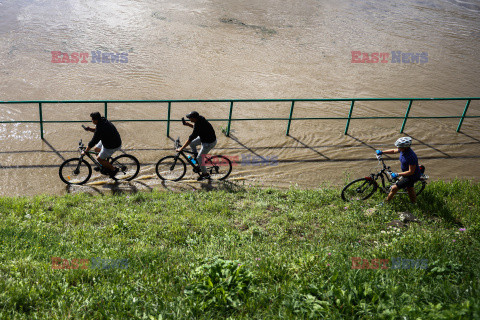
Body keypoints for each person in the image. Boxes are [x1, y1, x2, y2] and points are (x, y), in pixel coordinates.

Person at [376, 137, 421, 203]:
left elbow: (411, 172)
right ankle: (413, 203)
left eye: (399, 147)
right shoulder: (403, 149)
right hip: (406, 173)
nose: (398, 148)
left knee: (394, 188)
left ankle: (385, 202)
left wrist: (397, 174)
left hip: (412, 176)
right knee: (410, 189)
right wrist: (382, 152)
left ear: (405, 147)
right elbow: (394, 151)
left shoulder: (411, 157)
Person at [176, 111, 217, 181]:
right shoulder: (199, 120)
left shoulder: (199, 124)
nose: (189, 119)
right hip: (204, 137)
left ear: (194, 118)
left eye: (190, 118)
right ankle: (196, 158)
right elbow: (197, 129)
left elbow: (190, 138)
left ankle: (205, 175)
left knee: (200, 158)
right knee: (192, 144)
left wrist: (181, 148)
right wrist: (188, 124)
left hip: (209, 142)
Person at [82, 112, 122, 178]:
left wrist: (86, 151)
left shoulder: (101, 127)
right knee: (96, 149)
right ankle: (103, 165)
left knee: (99, 158)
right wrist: (89, 129)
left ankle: (114, 170)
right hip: (109, 140)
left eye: (92, 119)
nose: (92, 121)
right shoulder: (102, 121)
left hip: (112, 145)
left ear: (96, 120)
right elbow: (97, 130)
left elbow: (93, 141)